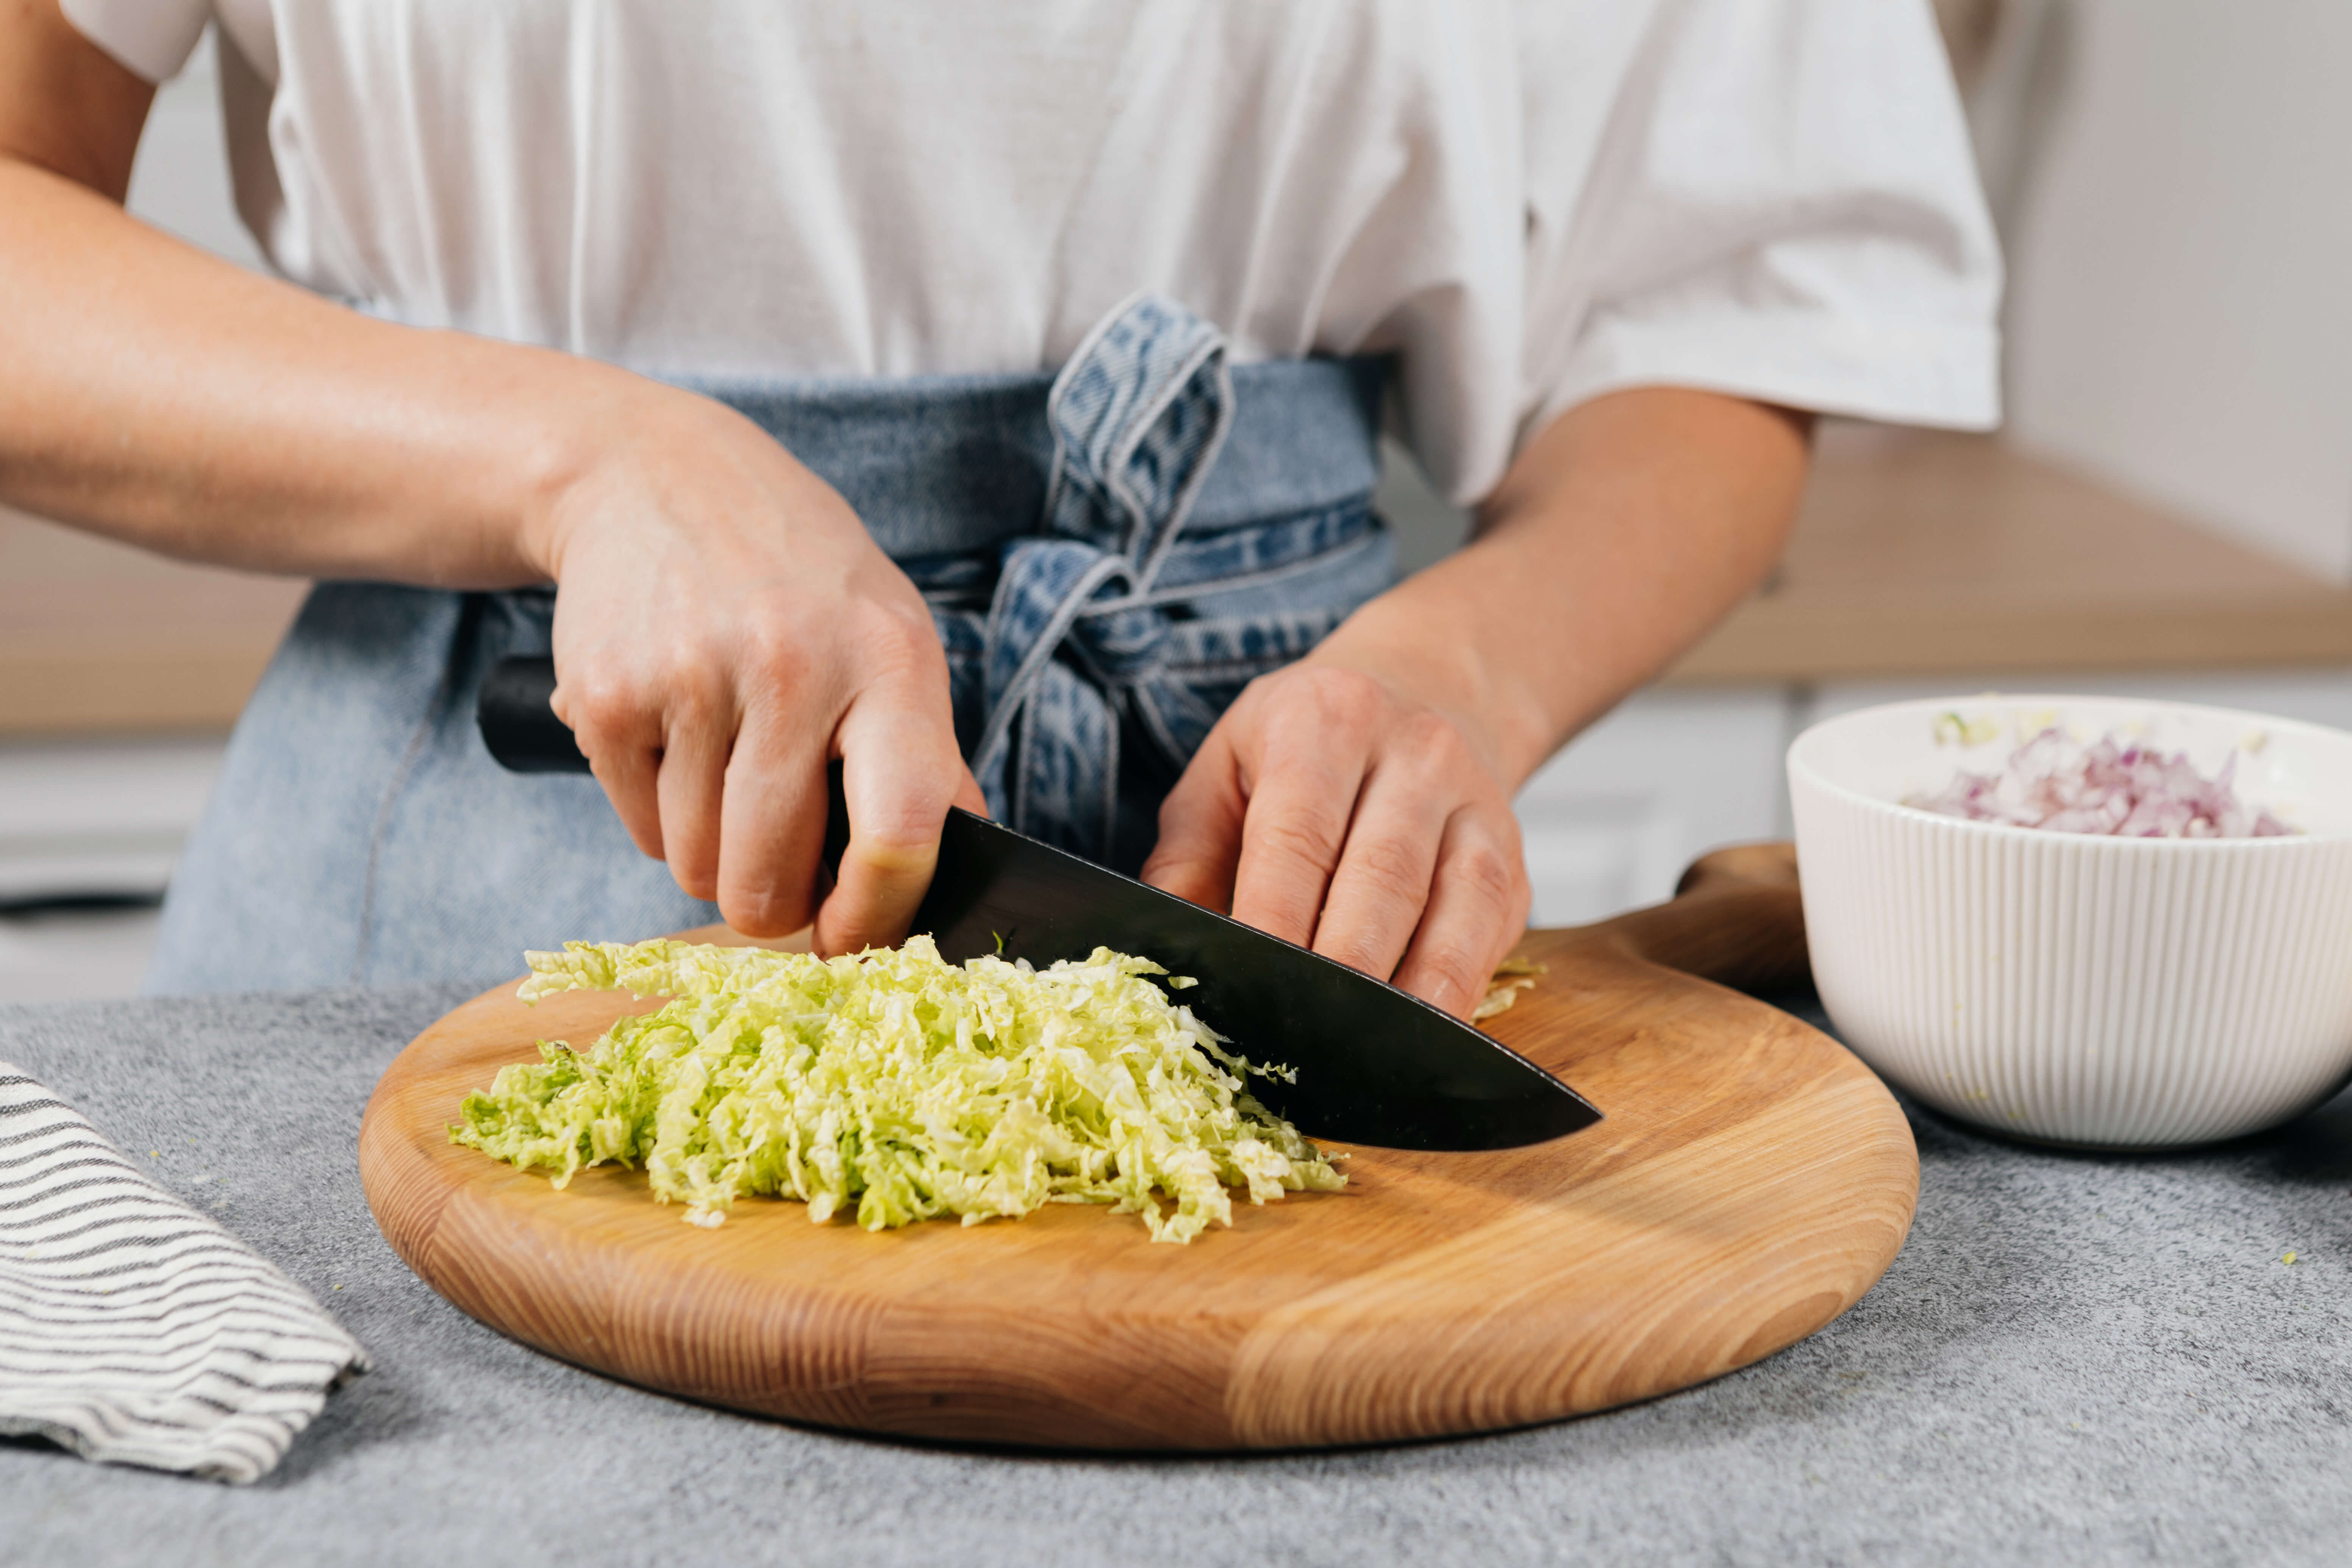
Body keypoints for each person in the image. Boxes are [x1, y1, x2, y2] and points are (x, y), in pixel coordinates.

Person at [0, 2, 1997, 1016]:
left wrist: (1464, 670)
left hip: (1264, 880)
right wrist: (589, 461)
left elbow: (1729, 305)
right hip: (451, 868)